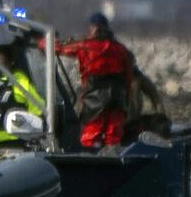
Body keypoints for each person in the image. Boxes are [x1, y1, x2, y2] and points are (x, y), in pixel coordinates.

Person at [56, 13, 133, 151]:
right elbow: (128, 77)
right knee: (114, 134)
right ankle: (113, 159)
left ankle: (90, 158)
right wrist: (127, 97)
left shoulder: (86, 46)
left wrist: (42, 42)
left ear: (92, 28)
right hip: (117, 96)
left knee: (91, 133)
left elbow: (61, 49)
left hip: (95, 97)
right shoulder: (120, 49)